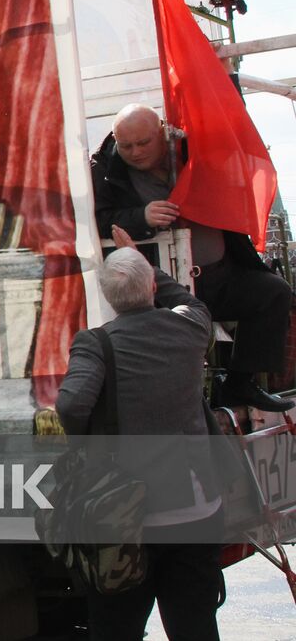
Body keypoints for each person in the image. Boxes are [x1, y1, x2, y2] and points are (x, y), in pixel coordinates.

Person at [56, 227, 225, 640]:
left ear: (109, 298)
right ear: (151, 285)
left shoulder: (96, 344)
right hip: (197, 511)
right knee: (196, 626)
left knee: (117, 627)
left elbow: (70, 406)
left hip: (126, 518)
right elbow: (187, 301)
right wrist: (144, 261)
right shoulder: (190, 328)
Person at [92, 102, 294, 412]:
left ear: (162, 131)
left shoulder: (193, 147)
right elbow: (98, 219)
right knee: (172, 344)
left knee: (273, 292)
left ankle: (241, 384)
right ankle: (188, 405)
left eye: (143, 143)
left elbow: (230, 133)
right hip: (162, 284)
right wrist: (140, 217)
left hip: (221, 271)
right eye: (126, 145)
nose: (134, 152)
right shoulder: (104, 168)